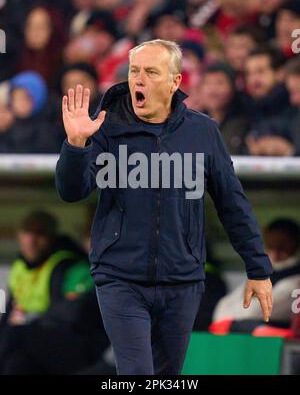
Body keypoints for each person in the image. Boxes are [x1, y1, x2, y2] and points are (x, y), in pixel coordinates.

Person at [56, 39, 273, 375]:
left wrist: (258, 268)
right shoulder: (104, 127)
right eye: (134, 71)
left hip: (182, 281)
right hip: (119, 277)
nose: (138, 80)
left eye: (151, 73)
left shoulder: (202, 132)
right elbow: (72, 191)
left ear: (175, 82)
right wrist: (76, 145)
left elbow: (232, 203)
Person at [0, 211, 110, 374]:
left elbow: (72, 315)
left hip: (76, 345)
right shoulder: (20, 267)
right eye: (27, 233)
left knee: (16, 335)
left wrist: (32, 320)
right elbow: (8, 315)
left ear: (51, 238)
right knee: (16, 364)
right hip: (41, 341)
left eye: (39, 234)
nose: (31, 241)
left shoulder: (67, 266)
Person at [211, 218, 300, 334]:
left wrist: (229, 320)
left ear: (295, 244)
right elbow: (220, 311)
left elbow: (254, 311)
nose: (276, 251)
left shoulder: (295, 280)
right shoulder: (261, 272)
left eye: (282, 245)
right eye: (271, 245)